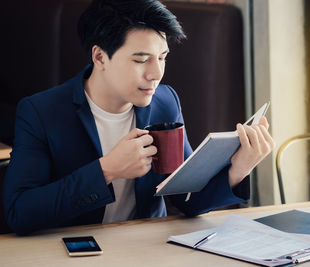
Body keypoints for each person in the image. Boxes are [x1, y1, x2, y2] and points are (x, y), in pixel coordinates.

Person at [3, 0, 275, 235]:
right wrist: (107, 169)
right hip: (73, 253)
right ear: (100, 56)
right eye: (141, 60)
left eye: (162, 57)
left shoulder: (165, 102)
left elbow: (187, 198)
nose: (156, 73)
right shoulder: (41, 112)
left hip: (144, 249)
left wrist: (239, 167)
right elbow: (20, 213)